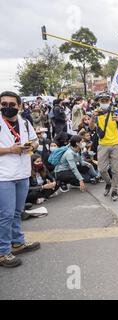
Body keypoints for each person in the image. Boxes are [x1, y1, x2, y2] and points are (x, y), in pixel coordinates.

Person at [0, 91, 41, 268]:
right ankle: (2, 252)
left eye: (11, 104)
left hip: (22, 173)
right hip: (4, 176)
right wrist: (10, 150)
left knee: (17, 212)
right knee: (6, 215)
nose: (7, 107)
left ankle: (17, 242)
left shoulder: (25, 123)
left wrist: (31, 146)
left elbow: (36, 141)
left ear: (19, 106)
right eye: (4, 104)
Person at [89, 92, 118, 202]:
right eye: (102, 101)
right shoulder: (97, 113)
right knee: (102, 169)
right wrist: (92, 117)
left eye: (106, 101)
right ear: (99, 102)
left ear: (110, 101)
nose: (104, 103)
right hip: (103, 144)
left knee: (115, 169)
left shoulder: (115, 110)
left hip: (115, 143)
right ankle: (108, 183)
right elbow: (91, 128)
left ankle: (115, 190)